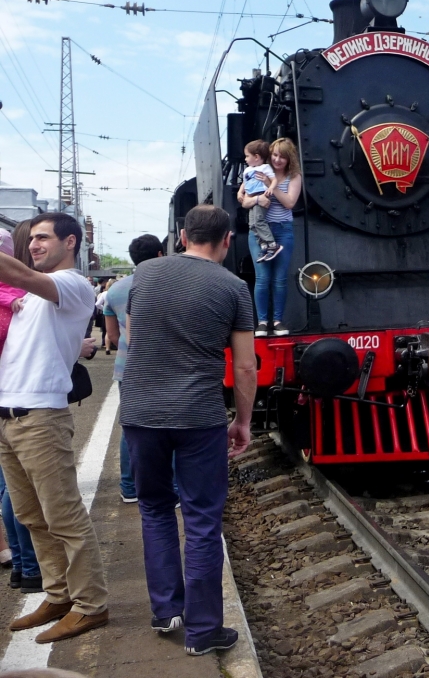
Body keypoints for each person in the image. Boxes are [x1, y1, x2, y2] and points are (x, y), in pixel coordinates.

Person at [120, 204, 257, 655]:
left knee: (155, 508)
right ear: (227, 240)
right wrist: (242, 421)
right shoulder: (235, 287)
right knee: (201, 520)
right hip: (198, 418)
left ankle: (166, 611)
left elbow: (136, 339)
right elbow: (243, 366)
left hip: (141, 413)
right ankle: (202, 632)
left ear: (182, 236)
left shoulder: (146, 277)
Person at [0, 212, 108, 643]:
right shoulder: (27, 297)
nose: (36, 244)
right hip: (8, 414)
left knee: (63, 516)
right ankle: (59, 594)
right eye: (32, 239)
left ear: (71, 243)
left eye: (45, 238)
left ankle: (91, 604)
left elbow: (20, 272)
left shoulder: (73, 286)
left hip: (41, 418)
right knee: (30, 515)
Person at [102, 235, 165, 503]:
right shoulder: (166, 286)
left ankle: (129, 487)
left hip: (127, 367)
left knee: (131, 429)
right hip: (163, 366)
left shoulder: (115, 290)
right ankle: (167, 486)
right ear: (161, 255)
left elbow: (112, 335)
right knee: (167, 426)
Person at [0, 226, 42, 594]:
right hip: (14, 399)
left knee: (8, 487)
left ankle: (22, 565)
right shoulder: (17, 295)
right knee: (19, 491)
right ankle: (29, 567)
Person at [238, 137, 302, 337]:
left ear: (289, 158)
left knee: (280, 278)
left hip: (283, 229)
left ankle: (278, 320)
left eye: (282, 157)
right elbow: (242, 199)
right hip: (258, 232)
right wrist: (257, 197)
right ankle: (263, 322)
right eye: (275, 155)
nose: (278, 160)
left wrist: (270, 186)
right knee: (263, 277)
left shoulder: (294, 176)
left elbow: (290, 203)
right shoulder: (259, 169)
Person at [241, 139, 282, 264]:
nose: (245, 159)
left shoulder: (265, 168)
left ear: (257, 157)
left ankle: (272, 244)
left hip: (262, 194)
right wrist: (240, 192)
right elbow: (245, 181)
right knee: (252, 224)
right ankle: (264, 245)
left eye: (247, 156)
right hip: (252, 196)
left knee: (259, 220)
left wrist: (270, 188)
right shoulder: (248, 170)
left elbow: (274, 179)